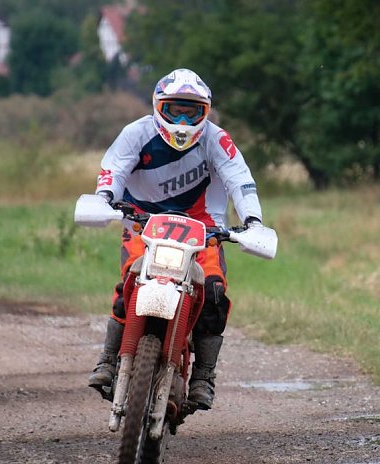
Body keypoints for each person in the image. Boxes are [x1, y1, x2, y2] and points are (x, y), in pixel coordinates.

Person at [87, 68, 264, 410]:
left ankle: (204, 376)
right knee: (130, 284)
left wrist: (252, 221)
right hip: (142, 223)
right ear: (158, 106)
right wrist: (104, 198)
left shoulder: (216, 139)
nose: (183, 121)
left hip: (202, 228)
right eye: (175, 110)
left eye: (192, 112)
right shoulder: (136, 133)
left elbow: (240, 180)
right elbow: (113, 170)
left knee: (213, 292)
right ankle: (108, 360)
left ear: (205, 112)